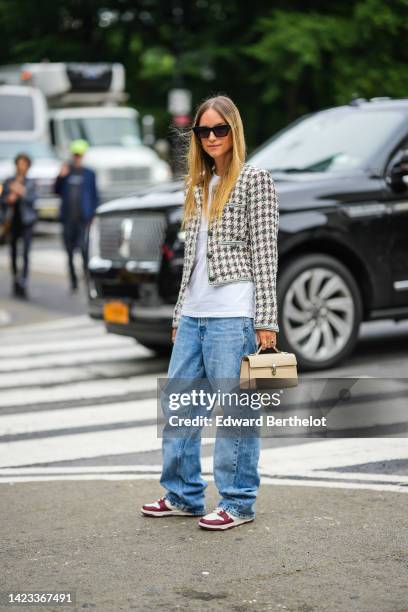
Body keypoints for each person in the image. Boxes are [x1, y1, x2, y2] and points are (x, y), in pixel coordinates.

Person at [142, 95, 279, 530]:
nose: (213, 137)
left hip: (234, 312)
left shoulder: (255, 179)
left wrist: (267, 320)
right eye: (205, 131)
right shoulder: (199, 185)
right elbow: (194, 258)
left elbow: (265, 252)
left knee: (236, 411)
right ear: (197, 137)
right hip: (196, 311)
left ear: (234, 132)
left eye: (221, 129)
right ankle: (183, 494)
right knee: (180, 406)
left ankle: (238, 502)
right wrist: (181, 311)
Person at [54, 139, 99, 292]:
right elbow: (56, 191)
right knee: (69, 252)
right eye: (75, 155)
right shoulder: (66, 173)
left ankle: (87, 279)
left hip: (83, 219)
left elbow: (94, 196)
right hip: (68, 219)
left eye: (80, 155)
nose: (77, 158)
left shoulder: (89, 174)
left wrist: (93, 215)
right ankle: (73, 282)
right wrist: (60, 176)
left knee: (85, 251)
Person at [0, 153, 37, 298]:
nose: (22, 167)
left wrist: (21, 191)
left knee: (26, 253)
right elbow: (2, 200)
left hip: (27, 221)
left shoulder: (30, 182)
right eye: (20, 164)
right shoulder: (9, 181)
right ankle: (16, 278)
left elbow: (33, 199)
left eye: (24, 164)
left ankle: (24, 281)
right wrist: (8, 198)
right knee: (13, 252)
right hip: (12, 221)